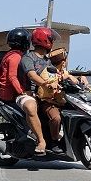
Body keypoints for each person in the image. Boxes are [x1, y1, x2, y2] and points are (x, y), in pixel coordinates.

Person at [0, 28, 51, 156]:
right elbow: (12, 77)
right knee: (31, 107)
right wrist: (22, 92)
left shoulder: (13, 55)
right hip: (12, 95)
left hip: (12, 93)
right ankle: (41, 140)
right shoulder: (16, 57)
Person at [19, 27, 61, 155]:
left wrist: (74, 78)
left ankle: (55, 139)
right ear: (44, 40)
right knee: (53, 117)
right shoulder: (28, 58)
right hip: (32, 94)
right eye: (50, 39)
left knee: (58, 117)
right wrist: (44, 84)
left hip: (47, 95)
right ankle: (43, 141)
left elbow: (56, 73)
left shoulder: (47, 60)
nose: (52, 41)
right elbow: (31, 75)